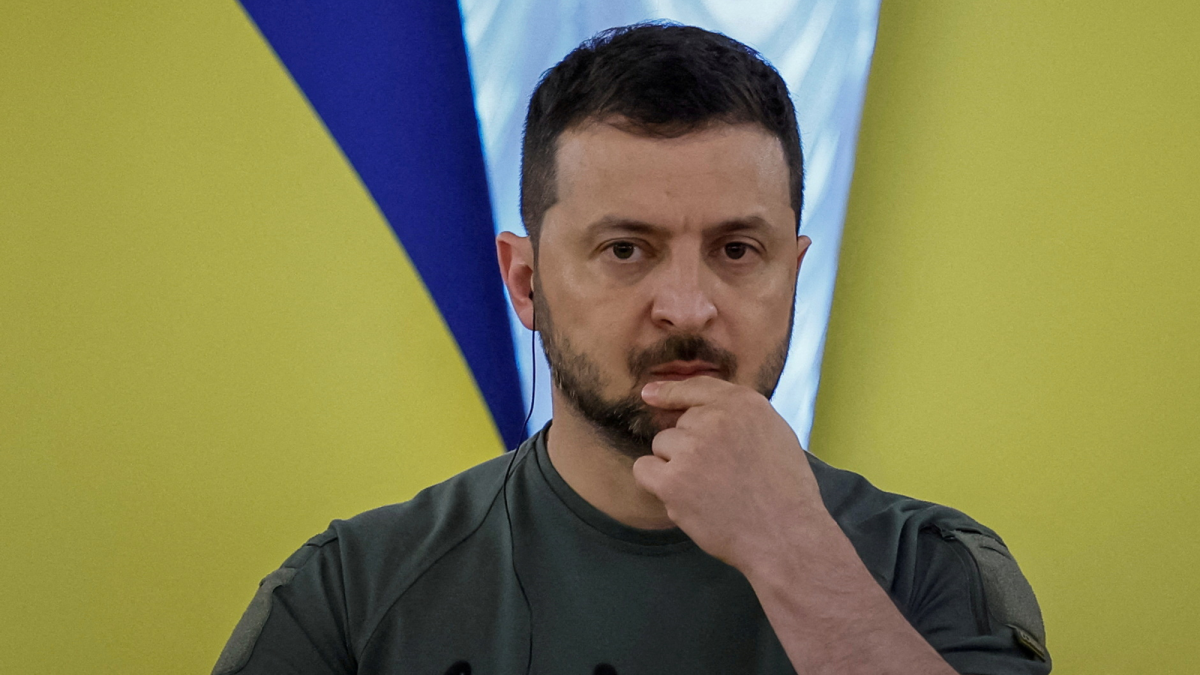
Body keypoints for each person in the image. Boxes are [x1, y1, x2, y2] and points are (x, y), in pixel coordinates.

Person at [213, 23, 1050, 675]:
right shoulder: (350, 595)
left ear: (793, 275)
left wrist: (793, 551)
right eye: (625, 249)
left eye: (737, 250)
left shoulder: (931, 569)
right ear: (526, 281)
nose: (686, 307)